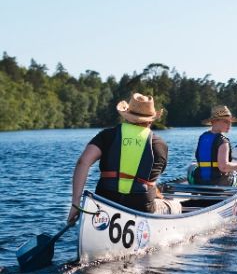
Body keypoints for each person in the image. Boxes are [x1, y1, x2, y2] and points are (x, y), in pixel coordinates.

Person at [67, 93, 176, 224]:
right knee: (175, 206)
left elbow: (83, 162)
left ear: (126, 115)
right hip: (141, 206)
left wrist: (76, 204)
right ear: (150, 120)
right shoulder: (159, 144)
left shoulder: (107, 135)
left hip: (106, 203)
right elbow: (152, 179)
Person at [191, 105, 237, 186]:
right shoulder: (223, 141)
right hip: (218, 183)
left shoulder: (202, 137)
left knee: (193, 168)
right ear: (214, 121)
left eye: (230, 122)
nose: (229, 125)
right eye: (226, 122)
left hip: (199, 181)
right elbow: (223, 167)